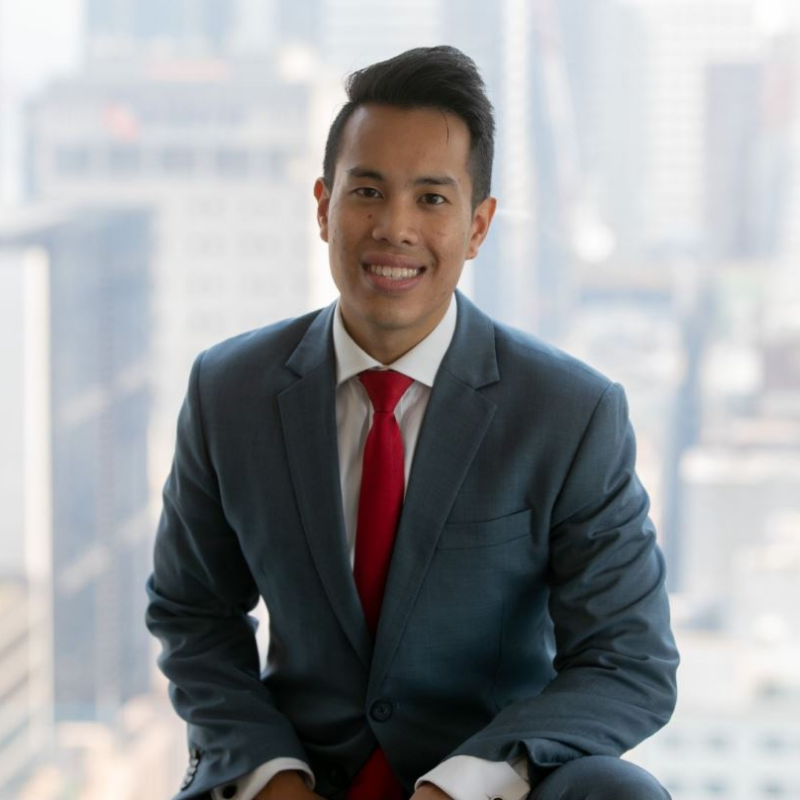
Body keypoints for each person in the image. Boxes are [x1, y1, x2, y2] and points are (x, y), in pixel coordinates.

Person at [146, 45, 679, 800]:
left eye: (432, 198)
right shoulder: (227, 391)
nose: (394, 227)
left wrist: (461, 784)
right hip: (300, 778)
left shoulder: (569, 414)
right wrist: (270, 772)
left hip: (486, 779)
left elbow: (629, 662)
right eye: (368, 191)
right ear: (324, 207)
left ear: (478, 226)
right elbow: (193, 613)